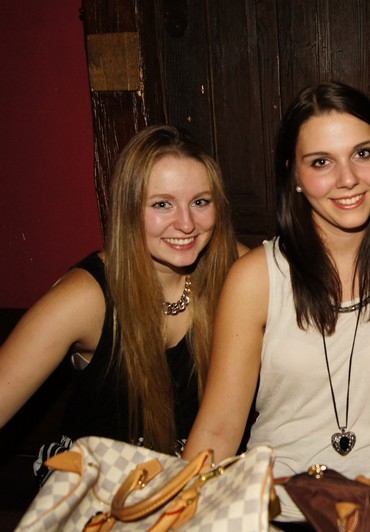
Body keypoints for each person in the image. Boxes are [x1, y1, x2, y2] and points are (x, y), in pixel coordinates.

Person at [182, 81, 370, 524]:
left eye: (362, 153)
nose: (347, 178)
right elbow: (217, 430)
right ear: (293, 175)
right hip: (280, 513)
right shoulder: (256, 278)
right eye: (321, 162)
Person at [0, 125, 247, 482]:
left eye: (200, 202)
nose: (186, 224)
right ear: (128, 209)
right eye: (162, 204)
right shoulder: (85, 297)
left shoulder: (235, 270)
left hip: (198, 476)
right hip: (97, 484)